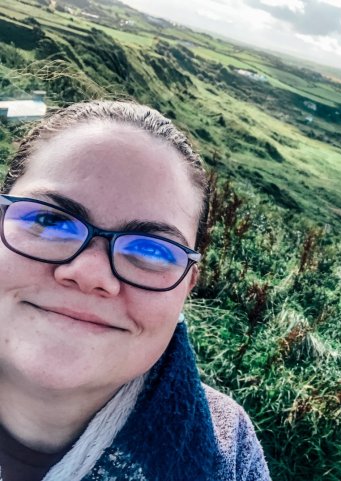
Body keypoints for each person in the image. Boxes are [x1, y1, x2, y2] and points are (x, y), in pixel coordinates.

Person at [0, 101, 271, 481]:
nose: (91, 274)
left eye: (149, 249)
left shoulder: (229, 452)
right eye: (49, 219)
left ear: (186, 288)